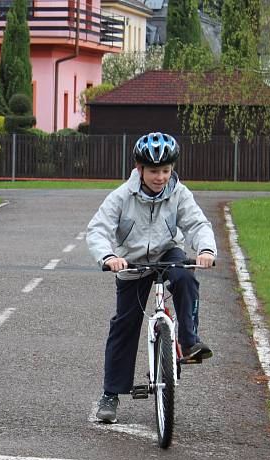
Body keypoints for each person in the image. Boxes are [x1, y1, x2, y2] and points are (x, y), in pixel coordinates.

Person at [86, 132, 217, 424]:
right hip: (131, 259)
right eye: (154, 171)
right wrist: (108, 257)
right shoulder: (121, 196)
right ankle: (111, 394)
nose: (160, 177)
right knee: (125, 323)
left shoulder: (179, 193)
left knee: (184, 278)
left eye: (166, 171)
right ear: (139, 169)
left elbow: (197, 223)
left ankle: (188, 342)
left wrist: (206, 249)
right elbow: (98, 229)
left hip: (168, 252)